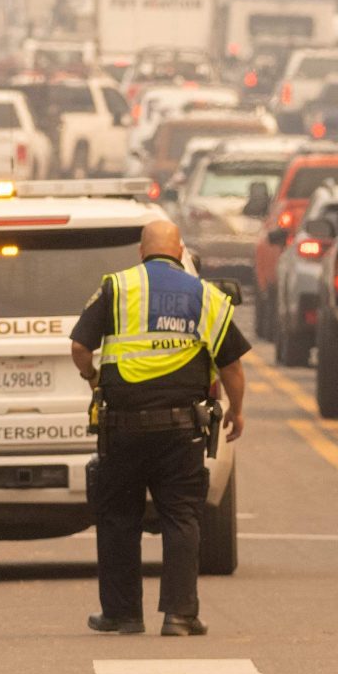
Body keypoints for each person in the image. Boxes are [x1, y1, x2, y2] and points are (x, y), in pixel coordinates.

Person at [69, 219, 248, 637]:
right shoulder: (208, 296)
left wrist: (92, 378)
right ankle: (180, 615)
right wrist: (237, 411)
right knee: (182, 517)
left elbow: (80, 348)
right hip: (181, 429)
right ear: (181, 250)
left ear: (141, 252)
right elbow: (233, 366)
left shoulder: (117, 287)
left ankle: (123, 615)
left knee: (118, 518)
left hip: (122, 429)